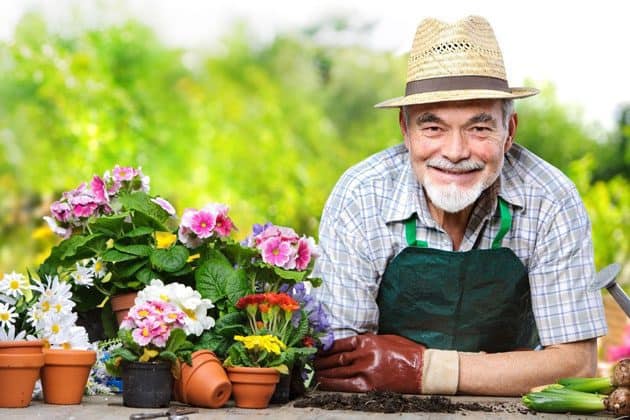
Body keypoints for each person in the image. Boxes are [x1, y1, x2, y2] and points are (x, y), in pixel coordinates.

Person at [312, 15, 607, 396]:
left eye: (479, 128)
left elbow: (577, 366)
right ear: (405, 130)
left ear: (509, 132)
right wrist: (516, 369)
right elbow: (341, 364)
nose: (455, 152)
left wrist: (425, 369)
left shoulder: (550, 200)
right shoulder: (361, 196)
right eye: (433, 127)